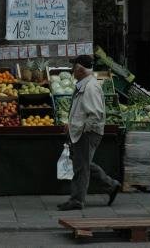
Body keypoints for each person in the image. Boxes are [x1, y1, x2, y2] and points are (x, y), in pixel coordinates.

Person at [57, 55, 121, 211]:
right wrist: (72, 125)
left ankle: (77, 200)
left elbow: (95, 114)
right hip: (82, 131)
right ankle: (111, 185)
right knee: (82, 163)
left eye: (74, 67)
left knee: (81, 166)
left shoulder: (90, 87)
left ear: (80, 69)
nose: (72, 70)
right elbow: (83, 111)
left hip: (87, 133)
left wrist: (82, 128)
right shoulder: (84, 84)